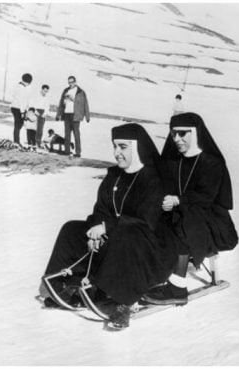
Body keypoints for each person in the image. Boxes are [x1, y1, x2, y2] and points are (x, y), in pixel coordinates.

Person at [42, 123, 173, 329]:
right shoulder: (114, 176)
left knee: (127, 235)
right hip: (116, 238)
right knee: (72, 229)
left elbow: (146, 220)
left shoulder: (152, 179)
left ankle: (122, 303)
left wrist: (107, 227)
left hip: (147, 251)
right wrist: (96, 228)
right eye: (114, 147)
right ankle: (65, 286)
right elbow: (100, 210)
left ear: (137, 147)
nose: (116, 153)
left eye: (123, 147)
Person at [143, 112, 238, 305]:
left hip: (211, 221)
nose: (176, 139)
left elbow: (206, 198)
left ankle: (177, 288)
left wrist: (177, 200)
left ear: (195, 133)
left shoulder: (212, 162)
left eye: (182, 133)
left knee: (183, 221)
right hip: (181, 212)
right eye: (173, 134)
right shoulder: (173, 161)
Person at [55, 75, 90, 157]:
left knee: (76, 134)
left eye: (72, 82)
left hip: (75, 115)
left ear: (75, 82)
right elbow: (61, 103)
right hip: (66, 114)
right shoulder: (66, 90)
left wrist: (87, 116)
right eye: (69, 82)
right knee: (67, 134)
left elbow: (84, 104)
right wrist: (58, 114)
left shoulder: (80, 92)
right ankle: (67, 151)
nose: (70, 84)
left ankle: (78, 152)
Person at [10, 73, 32, 145]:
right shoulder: (22, 88)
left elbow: (13, 95)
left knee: (18, 124)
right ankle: (16, 141)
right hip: (19, 108)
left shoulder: (16, 85)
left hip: (14, 107)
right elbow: (22, 101)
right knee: (18, 125)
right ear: (28, 82)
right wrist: (22, 112)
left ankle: (16, 140)